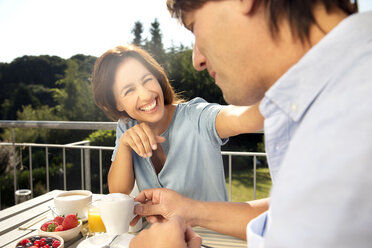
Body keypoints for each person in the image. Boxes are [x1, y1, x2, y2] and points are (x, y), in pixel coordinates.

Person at [129, 0, 372, 247]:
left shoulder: (356, 119)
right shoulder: (334, 95)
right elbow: (298, 214)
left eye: (193, 27)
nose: (197, 60)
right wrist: (190, 209)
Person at [91, 44, 264, 202]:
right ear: (117, 104)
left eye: (147, 80)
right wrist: (124, 145)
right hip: (160, 235)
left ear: (157, 78)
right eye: (129, 90)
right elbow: (118, 192)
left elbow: (243, 117)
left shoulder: (196, 117)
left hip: (211, 235)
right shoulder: (127, 127)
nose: (145, 95)